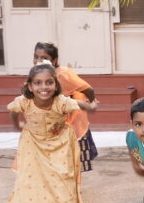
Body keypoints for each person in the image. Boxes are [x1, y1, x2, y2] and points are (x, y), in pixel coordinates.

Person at [0, 62, 97, 203]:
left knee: (65, 200)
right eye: (38, 83)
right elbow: (12, 111)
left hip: (61, 151)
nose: (44, 87)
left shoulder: (62, 102)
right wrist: (17, 127)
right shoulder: (24, 103)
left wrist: (92, 104)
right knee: (38, 201)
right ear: (30, 86)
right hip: (33, 152)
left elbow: (82, 106)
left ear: (56, 84)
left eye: (49, 82)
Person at [33, 42, 99, 172]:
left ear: (54, 60)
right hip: (53, 124)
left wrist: (91, 102)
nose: (38, 61)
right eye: (36, 57)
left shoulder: (63, 74)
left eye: (44, 57)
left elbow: (89, 89)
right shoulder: (37, 74)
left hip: (72, 122)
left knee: (73, 162)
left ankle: (72, 190)